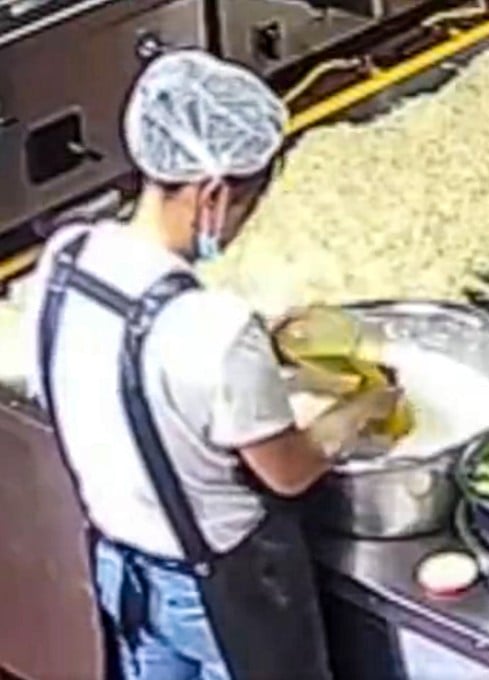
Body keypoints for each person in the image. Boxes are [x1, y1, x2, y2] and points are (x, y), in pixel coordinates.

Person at [22, 49, 398, 680]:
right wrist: (363, 406)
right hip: (225, 593)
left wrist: (260, 360)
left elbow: (112, 380)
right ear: (215, 194)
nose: (240, 226)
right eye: (247, 207)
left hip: (122, 570)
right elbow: (288, 471)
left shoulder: (66, 260)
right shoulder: (214, 329)